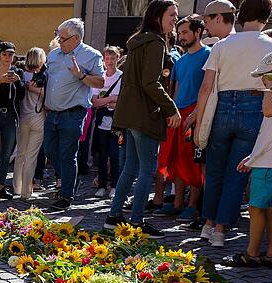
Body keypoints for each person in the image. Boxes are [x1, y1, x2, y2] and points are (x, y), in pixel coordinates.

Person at [195, 0, 272, 247]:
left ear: (241, 16)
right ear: (267, 17)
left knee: (214, 171)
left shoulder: (223, 45)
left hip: (222, 105)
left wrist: (200, 123)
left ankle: (208, 223)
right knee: (236, 174)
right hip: (253, 106)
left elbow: (205, 87)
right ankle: (221, 230)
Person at [104, 0, 181, 239]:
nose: (175, 20)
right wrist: (171, 108)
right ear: (158, 16)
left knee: (130, 167)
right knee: (146, 168)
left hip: (129, 113)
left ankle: (114, 217)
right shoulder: (155, 42)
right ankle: (137, 220)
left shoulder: (138, 40)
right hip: (145, 114)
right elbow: (151, 82)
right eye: (172, 15)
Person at [224, 49, 272, 268]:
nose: (263, 79)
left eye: (267, 74)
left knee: (256, 207)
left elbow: (269, 111)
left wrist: (271, 85)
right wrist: (253, 157)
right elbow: (270, 134)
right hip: (268, 160)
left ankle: (252, 252)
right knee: (268, 208)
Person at [42, 18, 105, 210]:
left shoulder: (91, 56)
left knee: (68, 155)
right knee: (49, 150)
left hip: (73, 114)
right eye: (58, 37)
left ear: (76, 38)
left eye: (62, 38)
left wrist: (81, 76)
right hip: (52, 113)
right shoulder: (53, 55)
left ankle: (66, 195)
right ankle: (71, 179)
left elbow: (100, 83)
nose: (59, 42)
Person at [153, 14, 209, 223]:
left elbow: (208, 88)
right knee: (175, 158)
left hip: (196, 113)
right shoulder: (180, 60)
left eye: (186, 32)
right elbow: (175, 91)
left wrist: (197, 115)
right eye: (180, 32)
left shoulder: (208, 55)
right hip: (178, 113)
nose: (181, 36)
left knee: (193, 160)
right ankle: (177, 203)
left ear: (198, 32)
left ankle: (192, 205)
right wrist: (172, 112)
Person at [0, 41, 25, 203]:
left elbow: (21, 96)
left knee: (6, 154)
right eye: (5, 54)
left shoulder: (18, 72)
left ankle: (1, 186)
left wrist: (17, 82)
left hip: (10, 117)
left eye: (10, 55)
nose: (8, 58)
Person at [13, 47, 47, 199]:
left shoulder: (20, 75)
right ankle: (27, 191)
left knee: (20, 154)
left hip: (22, 117)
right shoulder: (44, 77)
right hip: (38, 118)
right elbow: (48, 97)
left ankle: (16, 187)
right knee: (31, 156)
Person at [90, 45, 123, 199]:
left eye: (113, 58)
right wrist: (111, 99)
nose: (109, 61)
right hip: (102, 122)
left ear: (118, 58)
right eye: (107, 58)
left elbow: (123, 100)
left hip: (117, 123)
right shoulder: (100, 77)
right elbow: (94, 102)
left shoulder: (122, 77)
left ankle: (115, 185)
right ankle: (102, 185)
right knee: (102, 155)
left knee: (115, 155)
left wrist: (107, 100)